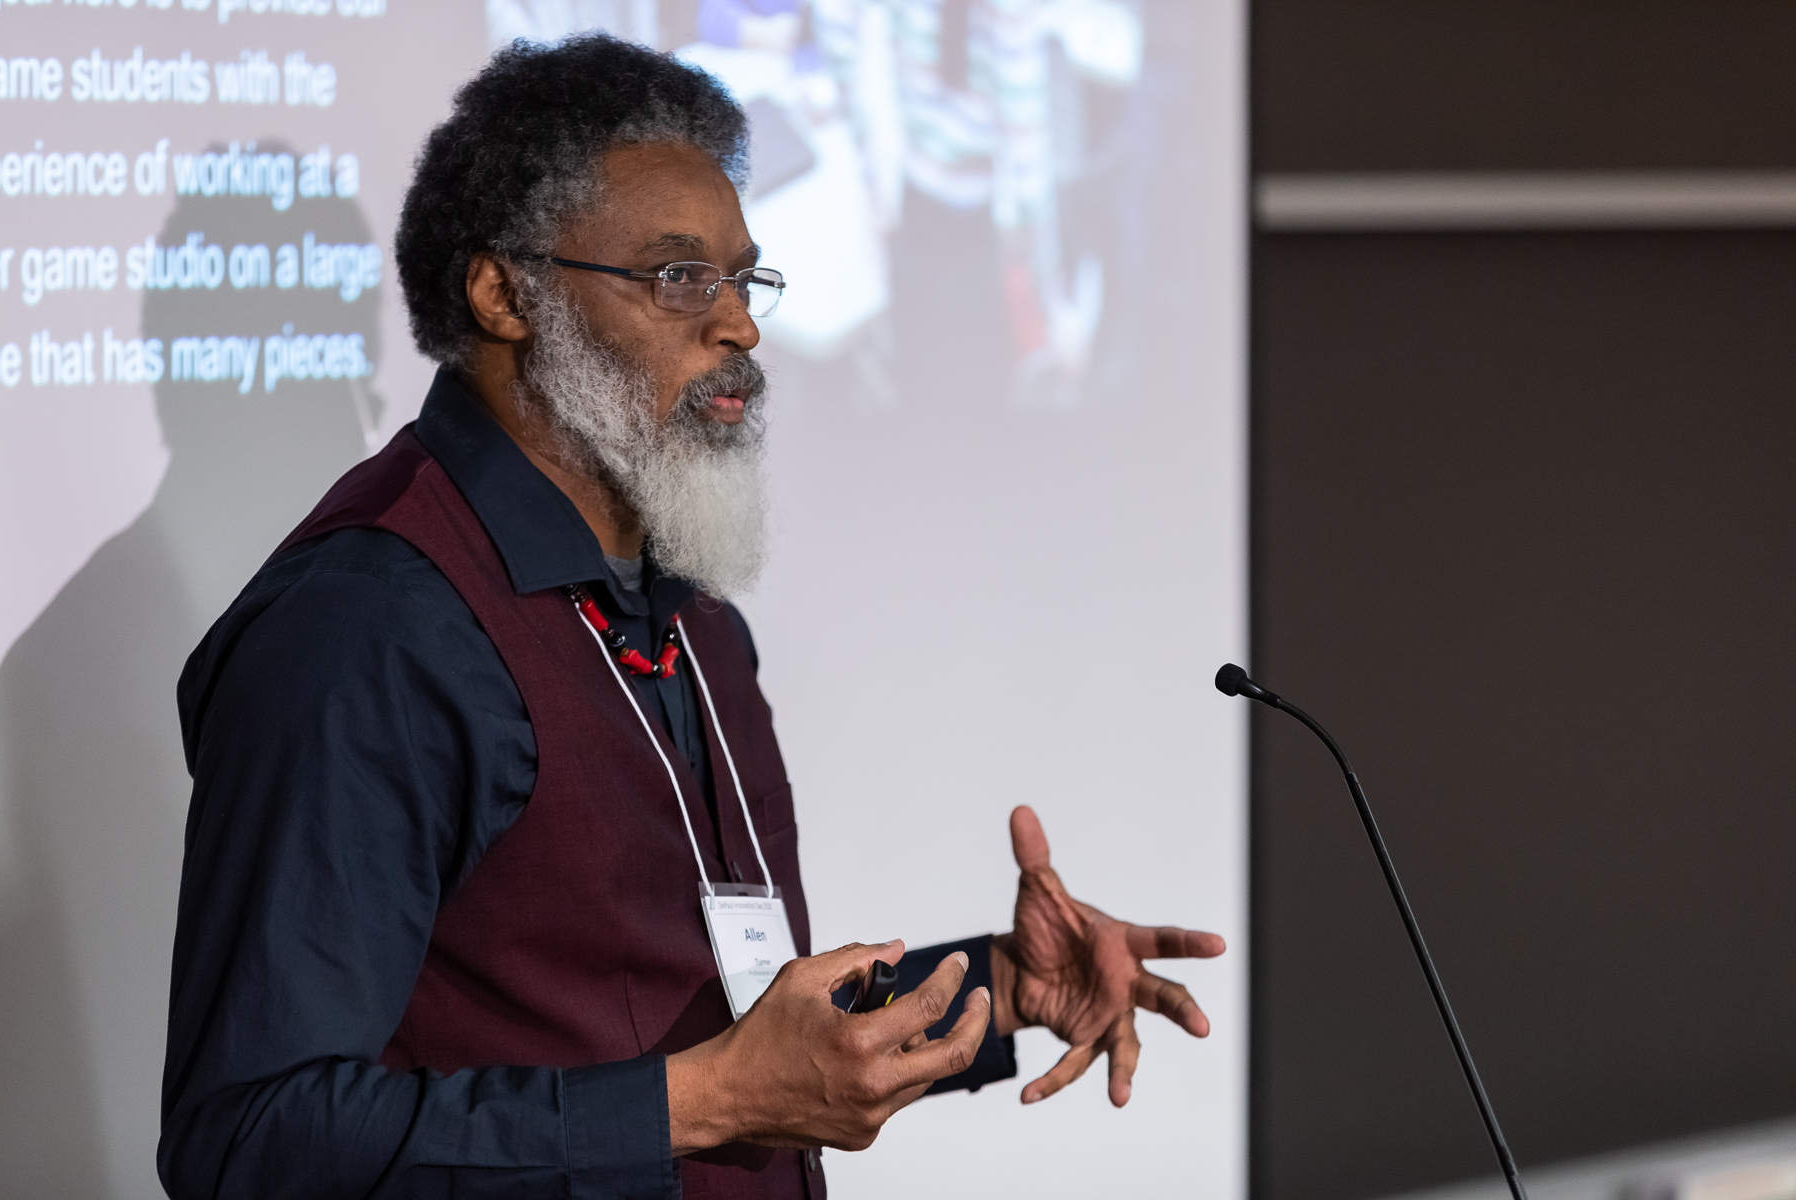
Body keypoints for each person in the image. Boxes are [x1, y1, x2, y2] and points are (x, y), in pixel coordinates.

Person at [160, 33, 1225, 1200]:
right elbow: (251, 1140)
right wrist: (707, 1099)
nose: (740, 327)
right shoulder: (369, 630)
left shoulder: (685, 604)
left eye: (739, 278)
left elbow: (703, 1010)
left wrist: (999, 987)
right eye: (678, 278)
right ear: (503, 293)